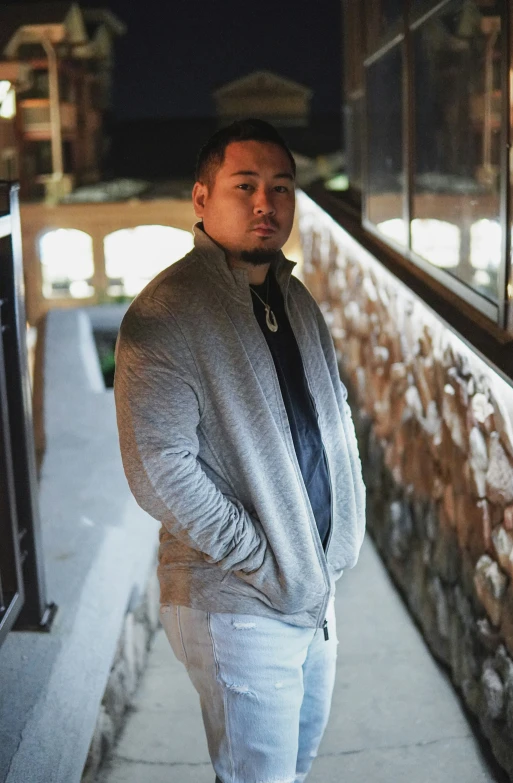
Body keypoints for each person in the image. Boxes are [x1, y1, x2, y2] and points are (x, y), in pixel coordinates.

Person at [113, 118, 366, 783]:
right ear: (201, 198)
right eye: (245, 185)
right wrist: (262, 558)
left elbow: (332, 419)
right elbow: (159, 471)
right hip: (237, 601)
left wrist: (333, 548)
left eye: (280, 187)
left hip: (311, 589)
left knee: (294, 766)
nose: (265, 203)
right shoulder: (166, 314)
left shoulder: (293, 297)